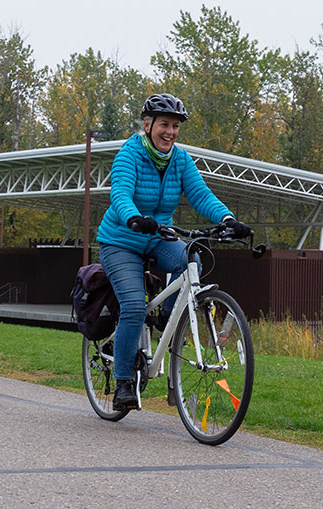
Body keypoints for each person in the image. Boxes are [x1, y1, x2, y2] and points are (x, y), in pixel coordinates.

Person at [95, 93, 251, 411]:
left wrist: (227, 219)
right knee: (135, 305)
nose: (170, 132)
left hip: (157, 236)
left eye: (175, 126)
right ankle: (124, 382)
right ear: (148, 125)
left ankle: (170, 319)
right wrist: (133, 218)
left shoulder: (180, 159)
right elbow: (120, 192)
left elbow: (199, 194)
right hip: (121, 240)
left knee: (190, 258)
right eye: (164, 124)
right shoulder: (130, 154)